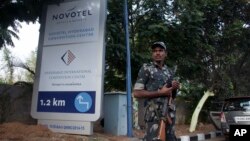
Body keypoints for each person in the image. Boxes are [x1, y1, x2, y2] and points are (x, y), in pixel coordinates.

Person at [133, 41, 180, 141]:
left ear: (165, 54)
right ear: (152, 54)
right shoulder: (146, 68)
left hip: (169, 114)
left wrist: (174, 88)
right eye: (155, 51)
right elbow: (136, 93)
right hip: (153, 114)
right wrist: (160, 93)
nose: (157, 53)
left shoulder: (169, 71)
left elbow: (172, 95)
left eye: (160, 50)